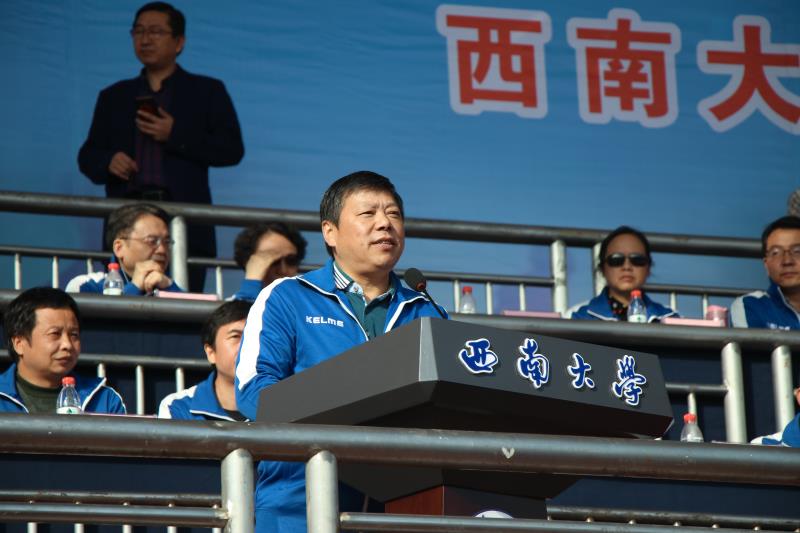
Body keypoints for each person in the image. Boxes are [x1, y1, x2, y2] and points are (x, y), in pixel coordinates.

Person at [235, 171, 447, 533]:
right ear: (330, 232)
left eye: (393, 214)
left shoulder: (426, 310)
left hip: (399, 510)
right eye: (368, 214)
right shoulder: (288, 296)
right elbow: (254, 390)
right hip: (299, 506)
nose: (385, 223)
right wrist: (344, 422)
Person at [77, 2, 244, 293]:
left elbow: (231, 149)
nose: (145, 39)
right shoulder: (114, 96)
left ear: (179, 42)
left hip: (184, 220)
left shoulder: (206, 91)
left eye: (155, 31)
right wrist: (108, 161)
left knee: (181, 301)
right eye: (139, 31)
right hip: (128, 215)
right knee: (120, 300)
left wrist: (175, 134)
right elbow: (87, 157)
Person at [0, 287, 127, 414]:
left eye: (74, 335)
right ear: (19, 344)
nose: (67, 345)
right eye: (55, 334)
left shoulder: (105, 400)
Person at [158, 300, 250, 420]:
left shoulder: (275, 406)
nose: (246, 345)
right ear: (211, 353)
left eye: (253, 336)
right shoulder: (178, 407)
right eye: (235, 336)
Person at [66, 203, 182, 295]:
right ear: (119, 248)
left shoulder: (169, 286)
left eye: (166, 242)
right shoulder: (88, 286)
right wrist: (135, 287)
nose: (162, 250)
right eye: (152, 241)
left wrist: (170, 287)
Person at [567, 226, 678, 322]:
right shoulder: (577, 317)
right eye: (616, 260)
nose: (627, 266)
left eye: (637, 259)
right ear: (602, 268)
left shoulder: (670, 318)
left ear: (648, 268)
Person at [731, 216, 800, 329]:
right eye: (776, 253)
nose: (787, 261)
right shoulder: (750, 304)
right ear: (766, 265)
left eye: (797, 251)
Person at [232, 222, 307, 301]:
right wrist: (252, 285)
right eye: (272, 261)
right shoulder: (230, 305)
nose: (283, 270)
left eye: (291, 260)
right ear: (249, 263)